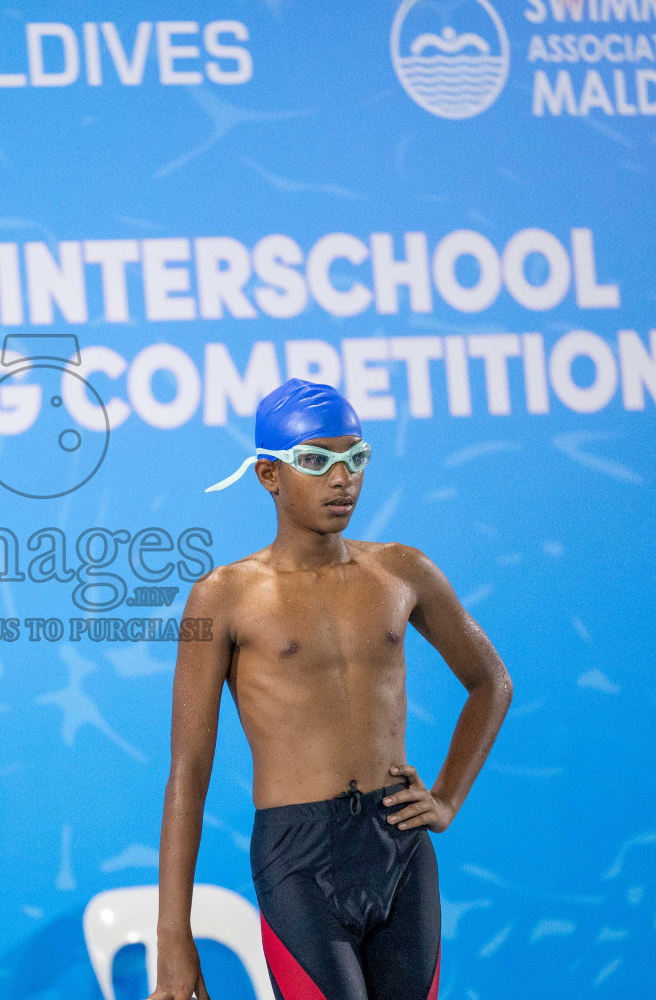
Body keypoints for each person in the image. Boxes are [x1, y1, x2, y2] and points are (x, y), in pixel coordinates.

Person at [151, 379, 513, 1000]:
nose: (342, 479)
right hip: (298, 859)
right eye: (317, 462)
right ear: (269, 475)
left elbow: (491, 683)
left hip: (399, 847)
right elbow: (189, 769)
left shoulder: (402, 572)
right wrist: (173, 938)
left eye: (356, 458)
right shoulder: (225, 596)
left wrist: (448, 798)